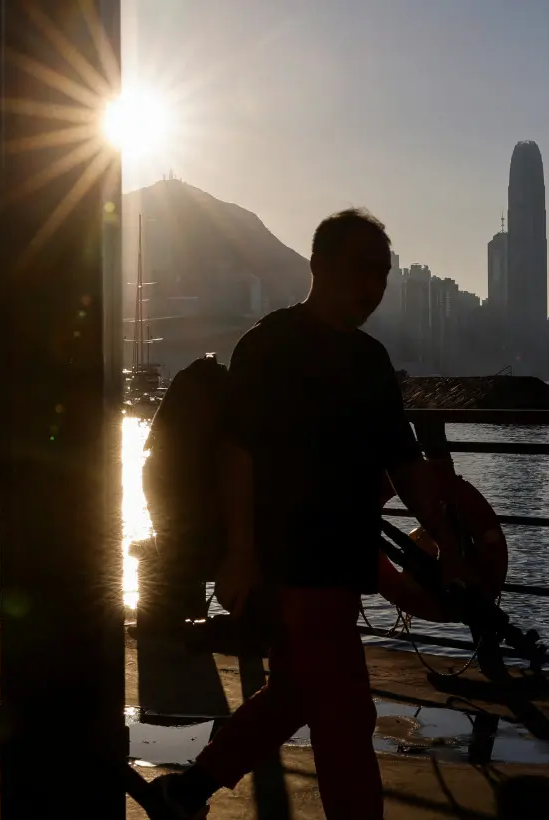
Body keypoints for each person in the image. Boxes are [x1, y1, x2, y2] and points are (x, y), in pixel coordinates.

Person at [151, 208, 465, 820]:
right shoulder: (270, 346)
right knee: (346, 713)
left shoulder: (372, 360)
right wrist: (239, 553)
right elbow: (235, 454)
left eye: (383, 273)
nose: (374, 285)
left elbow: (404, 460)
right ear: (319, 266)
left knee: (296, 693)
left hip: (342, 564)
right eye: (362, 269)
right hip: (287, 561)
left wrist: (449, 542)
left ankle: (187, 792)